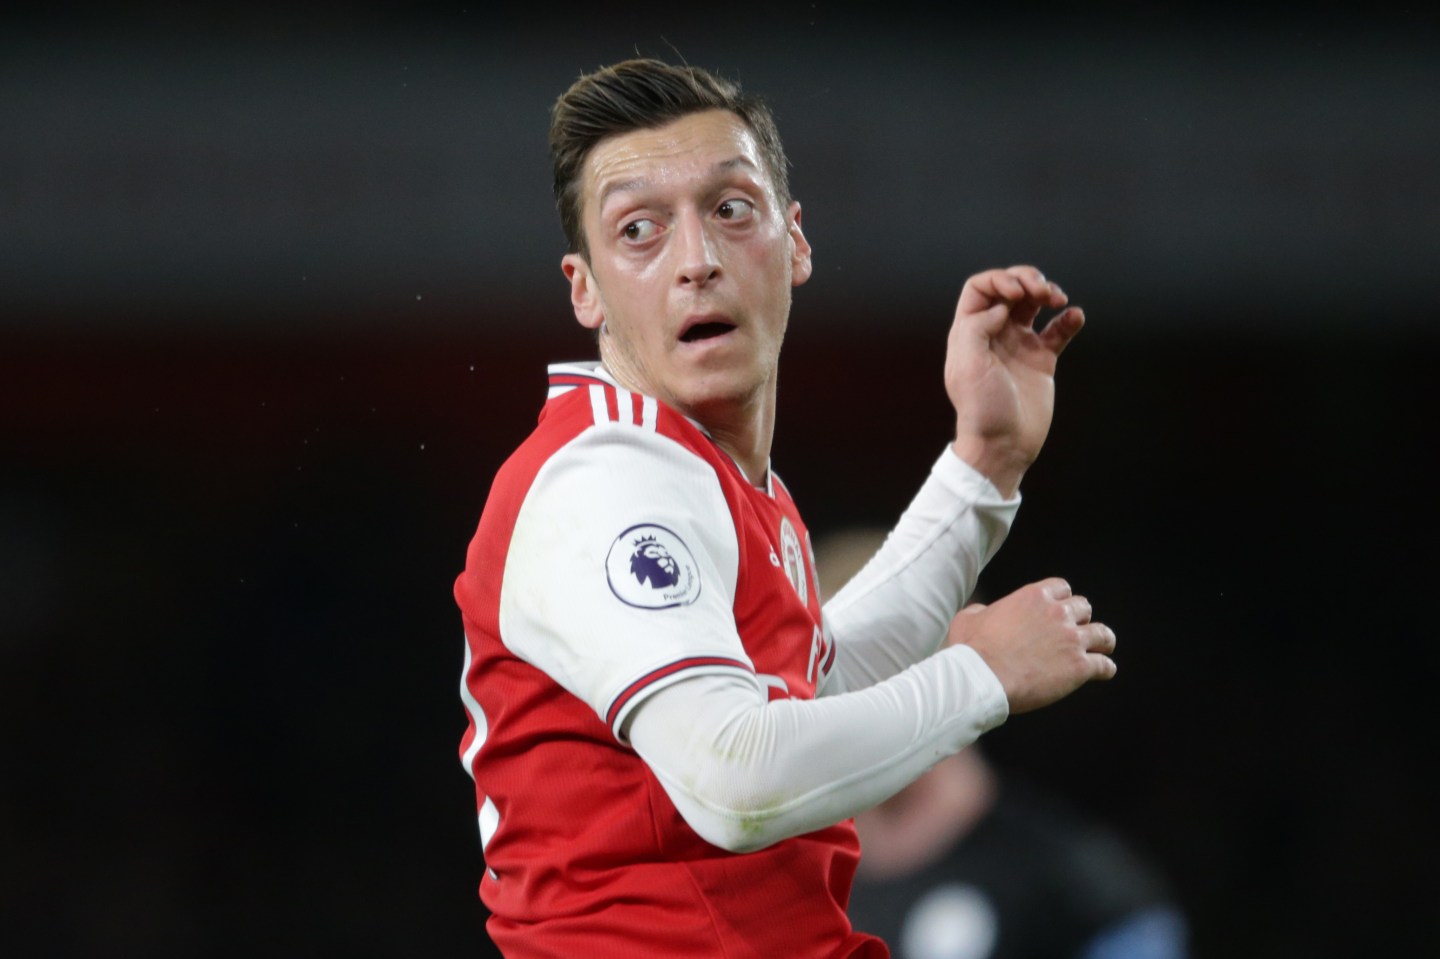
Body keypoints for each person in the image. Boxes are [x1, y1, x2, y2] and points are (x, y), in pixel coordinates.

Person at [453, 57, 1117, 958]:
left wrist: (984, 465)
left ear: (795, 242)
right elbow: (736, 778)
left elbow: (817, 692)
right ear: (585, 288)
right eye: (640, 230)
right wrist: (980, 678)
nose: (697, 261)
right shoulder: (605, 482)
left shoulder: (710, 478)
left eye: (731, 210)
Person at [813, 528, 1188, 959]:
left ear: (950, 658)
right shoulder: (791, 888)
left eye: (876, 661)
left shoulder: (1076, 887)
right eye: (825, 669)